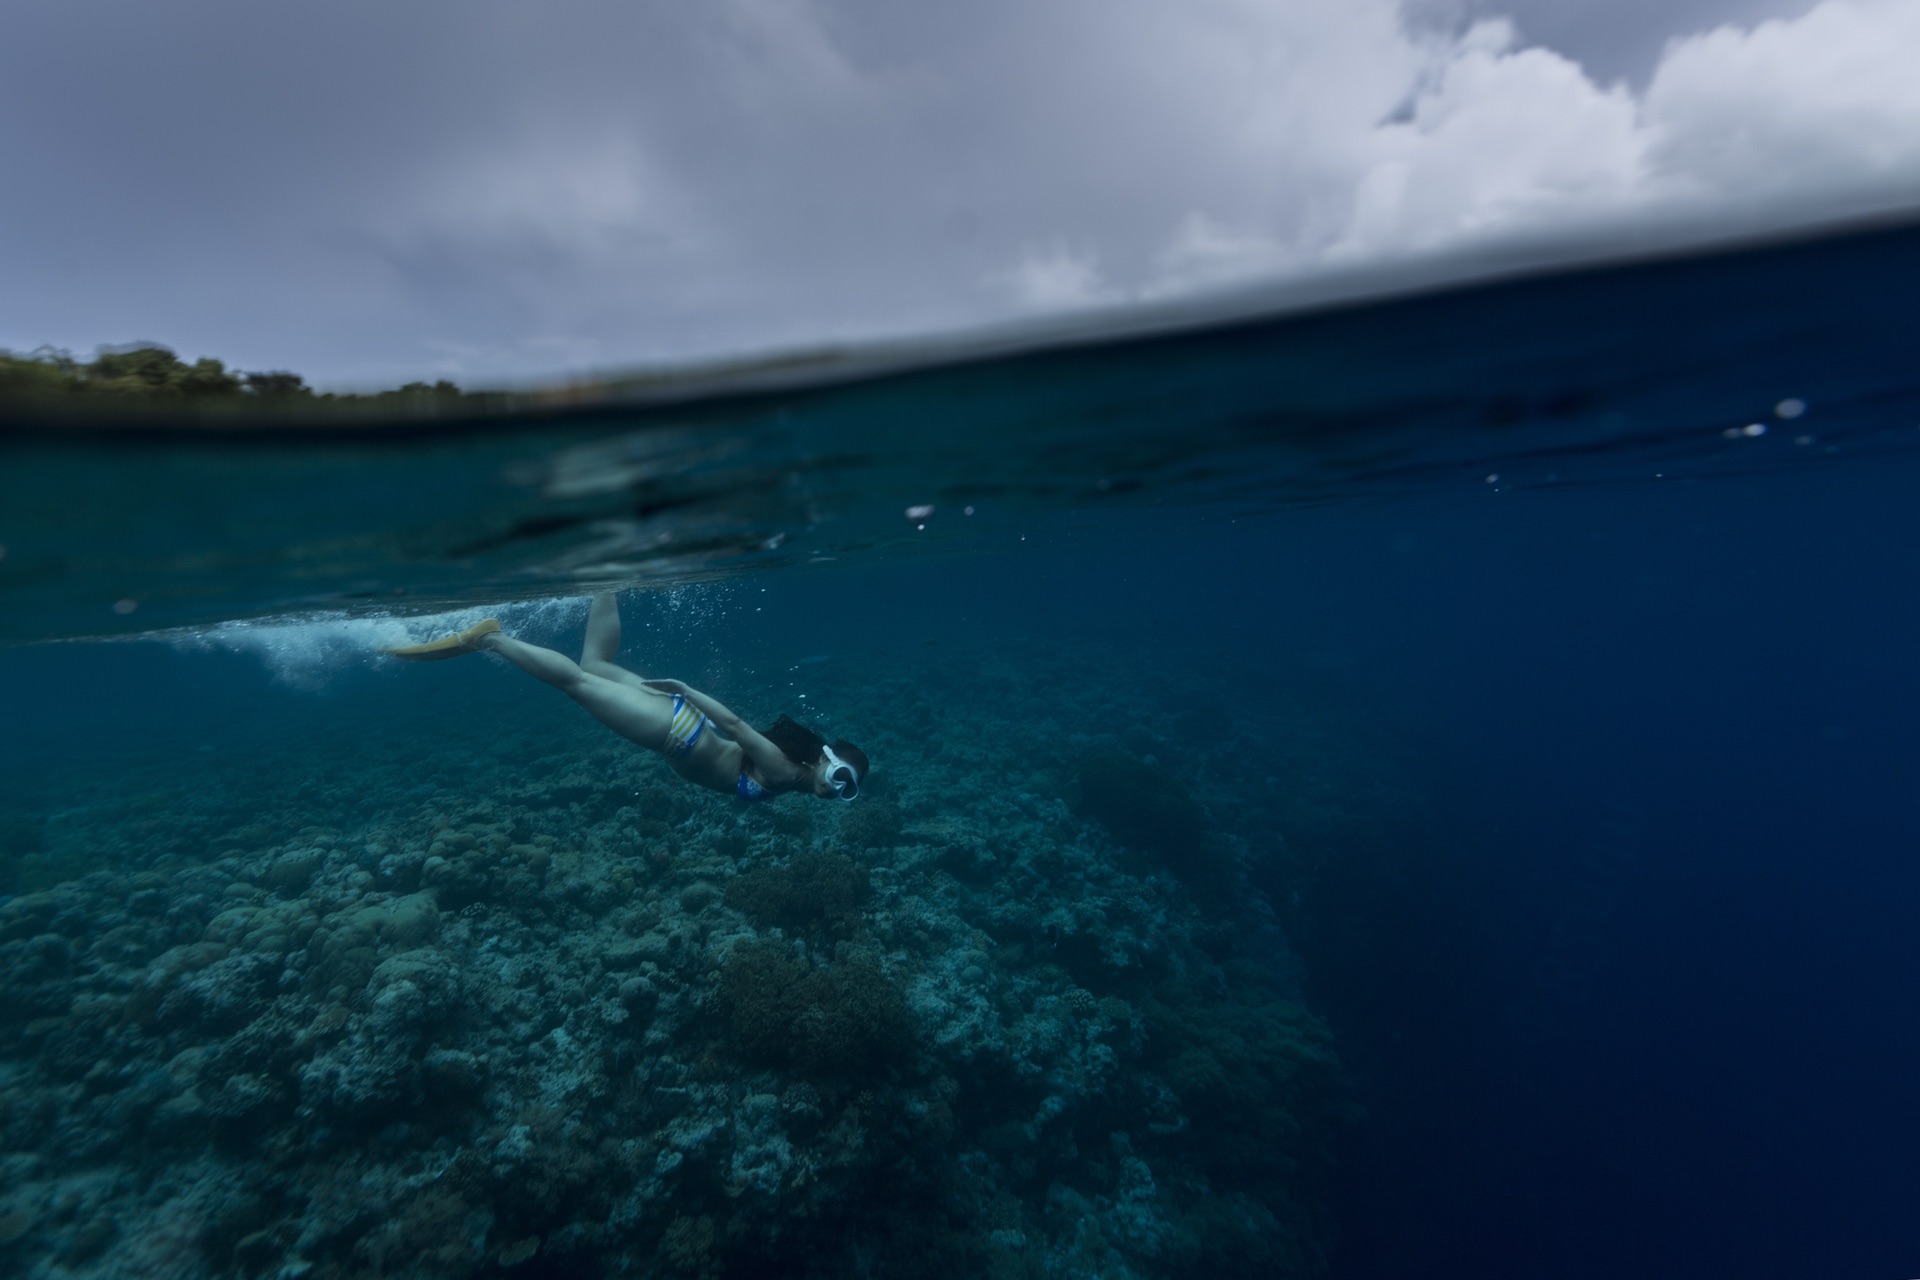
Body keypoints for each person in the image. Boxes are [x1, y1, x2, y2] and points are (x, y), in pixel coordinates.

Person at [381, 593, 867, 803]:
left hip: (684, 726)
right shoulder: (786, 774)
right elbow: (738, 729)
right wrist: (686, 688)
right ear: (826, 760)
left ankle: (605, 577)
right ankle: (489, 639)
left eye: (848, 790)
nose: (837, 789)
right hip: (678, 734)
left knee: (592, 666)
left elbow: (738, 739)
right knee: (577, 685)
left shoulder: (795, 773)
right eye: (841, 776)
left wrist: (687, 699)